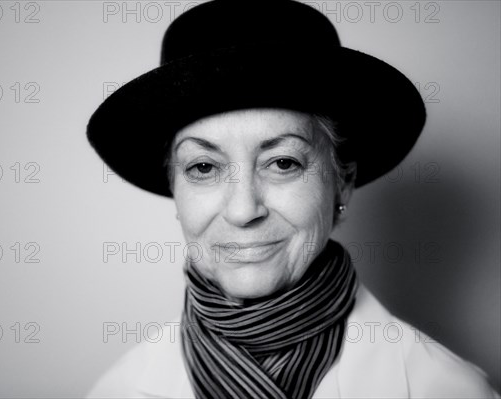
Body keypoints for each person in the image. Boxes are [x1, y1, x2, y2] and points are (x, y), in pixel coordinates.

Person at [85, 0, 500, 397]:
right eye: (204, 168)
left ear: (343, 182)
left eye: (282, 163)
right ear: (176, 192)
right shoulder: (116, 390)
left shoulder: (449, 390)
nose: (243, 210)